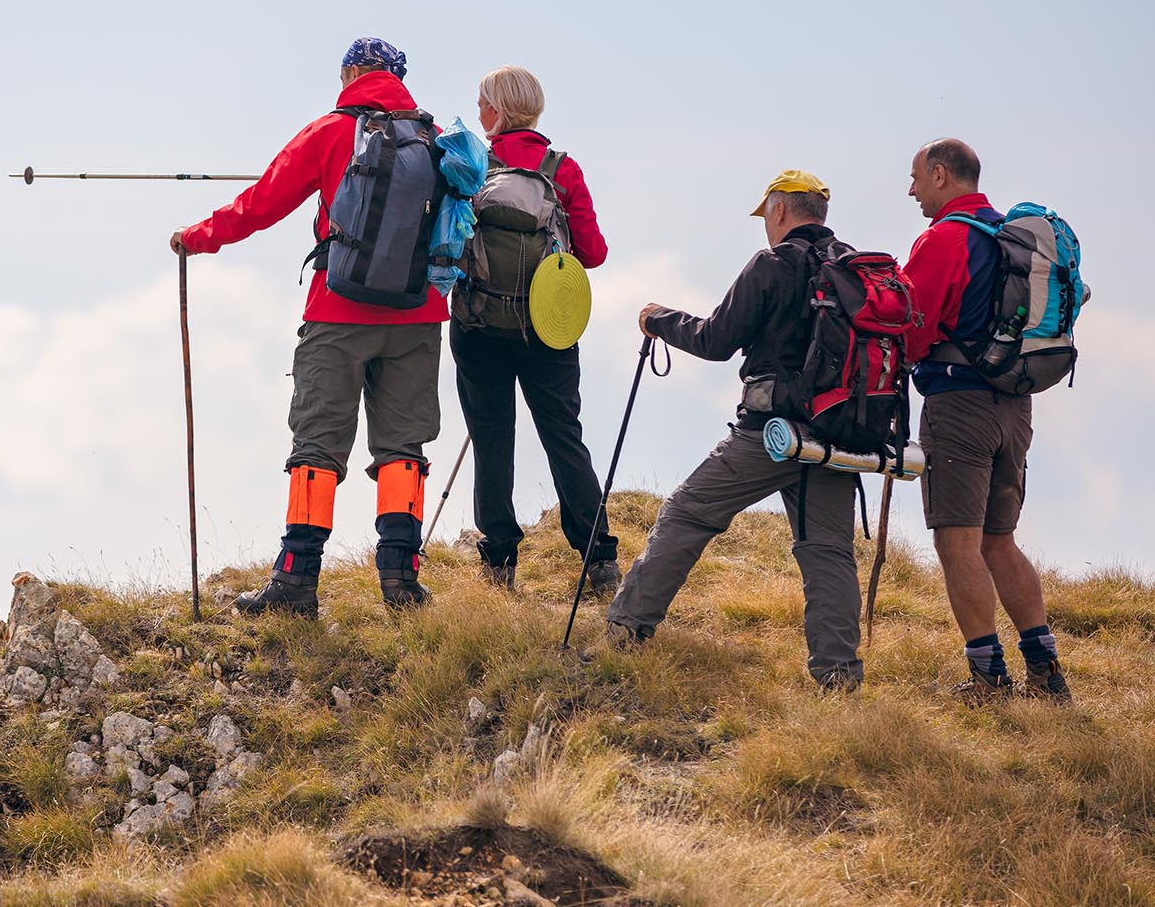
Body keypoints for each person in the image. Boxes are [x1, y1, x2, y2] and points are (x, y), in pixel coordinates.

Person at [171, 37, 446, 616]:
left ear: (349, 73)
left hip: (336, 310)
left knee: (317, 444)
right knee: (404, 446)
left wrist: (197, 237)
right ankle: (401, 581)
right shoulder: (436, 140)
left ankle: (296, 583)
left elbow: (263, 201)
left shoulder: (328, 131)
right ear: (400, 78)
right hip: (417, 315)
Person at [604, 171, 865, 691]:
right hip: (839, 437)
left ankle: (626, 631)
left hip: (770, 434)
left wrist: (658, 319)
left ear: (779, 211)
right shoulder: (855, 270)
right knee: (828, 553)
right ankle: (838, 681)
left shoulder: (773, 264)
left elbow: (716, 339)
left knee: (688, 511)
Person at [902, 138, 1070, 703]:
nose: (913, 190)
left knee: (958, 542)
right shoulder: (1011, 235)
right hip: (1015, 406)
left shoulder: (943, 238)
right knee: (1001, 541)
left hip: (958, 407)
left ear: (943, 175)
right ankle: (1046, 674)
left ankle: (987, 677)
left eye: (917, 178)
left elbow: (912, 327)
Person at [452, 65, 619, 591]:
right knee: (564, 437)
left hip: (478, 325)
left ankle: (498, 562)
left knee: (492, 441)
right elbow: (593, 253)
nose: (478, 113)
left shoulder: (473, 165)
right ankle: (599, 560)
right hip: (549, 329)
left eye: (482, 104)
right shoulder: (562, 169)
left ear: (497, 111)